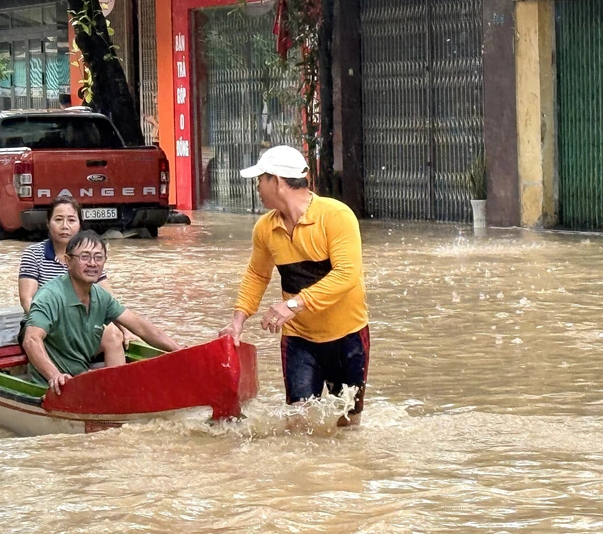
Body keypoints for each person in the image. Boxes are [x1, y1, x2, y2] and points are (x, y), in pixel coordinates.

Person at [219, 145, 370, 427]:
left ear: (276, 181)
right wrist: (237, 321)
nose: (257, 187)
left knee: (348, 423)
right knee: (296, 423)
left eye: (260, 180)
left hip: (347, 336)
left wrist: (294, 304)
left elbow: (347, 274)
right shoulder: (265, 228)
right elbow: (257, 275)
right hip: (300, 339)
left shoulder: (336, 215)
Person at [23, 230, 183, 395]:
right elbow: (31, 340)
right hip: (52, 386)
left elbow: (142, 328)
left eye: (98, 257)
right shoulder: (49, 296)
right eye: (84, 257)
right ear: (68, 261)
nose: (92, 263)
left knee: (114, 336)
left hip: (80, 378)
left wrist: (180, 351)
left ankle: (118, 393)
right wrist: (54, 376)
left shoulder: (101, 296)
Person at [18, 197, 127, 350]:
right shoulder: (34, 254)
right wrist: (57, 326)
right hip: (42, 326)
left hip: (81, 326)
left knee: (113, 334)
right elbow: (27, 300)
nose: (65, 226)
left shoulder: (89, 256)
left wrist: (126, 330)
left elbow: (108, 300)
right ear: (48, 223)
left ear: (79, 225)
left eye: (71, 220)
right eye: (58, 220)